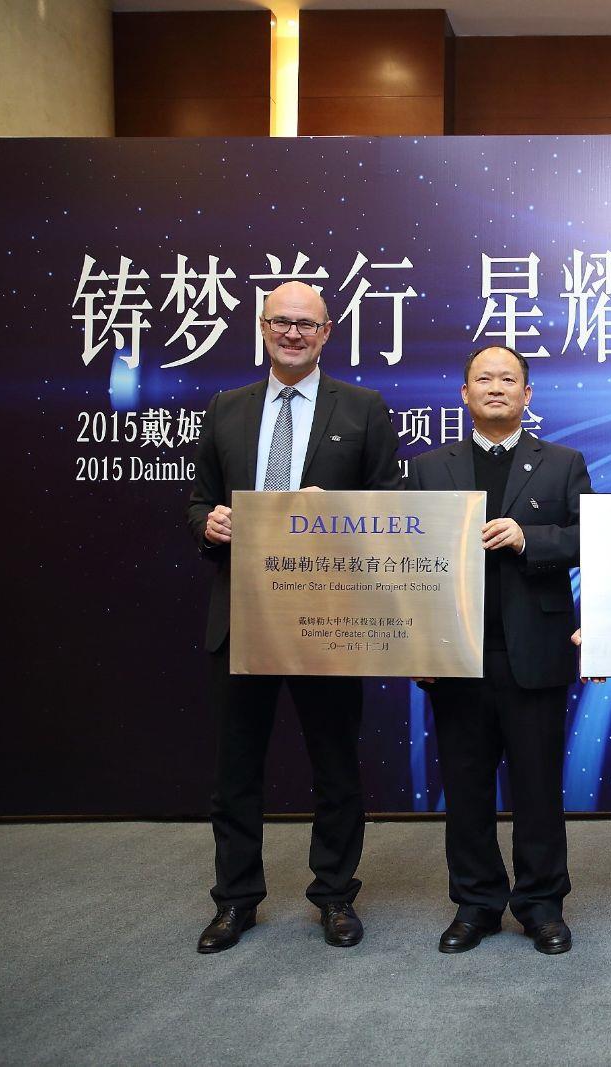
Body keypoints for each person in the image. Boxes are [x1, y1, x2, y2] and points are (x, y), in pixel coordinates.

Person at [186, 280, 402, 953]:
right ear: (261, 327)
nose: (292, 333)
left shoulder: (363, 408)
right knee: (234, 771)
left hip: (328, 616)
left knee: (335, 765)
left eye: (306, 323)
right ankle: (235, 900)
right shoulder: (226, 407)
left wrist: (332, 509)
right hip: (243, 612)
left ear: (327, 332)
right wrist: (208, 523)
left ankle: (334, 894)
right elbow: (197, 499)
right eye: (281, 320)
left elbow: (390, 504)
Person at [409, 344, 589, 956]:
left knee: (538, 786)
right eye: (482, 379)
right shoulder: (428, 468)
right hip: (455, 652)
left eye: (507, 379)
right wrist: (418, 646)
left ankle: (541, 904)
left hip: (533, 650)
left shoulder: (563, 463)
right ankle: (476, 903)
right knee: (465, 786)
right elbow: (408, 560)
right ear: (464, 394)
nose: (495, 388)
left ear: (526, 394)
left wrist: (527, 537)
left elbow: (589, 538)